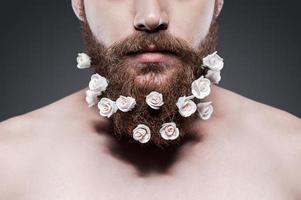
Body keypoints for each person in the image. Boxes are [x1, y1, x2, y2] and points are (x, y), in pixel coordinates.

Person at [0, 0, 300, 199]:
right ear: (79, 4)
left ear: (217, 1)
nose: (151, 17)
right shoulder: (9, 162)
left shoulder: (292, 157)